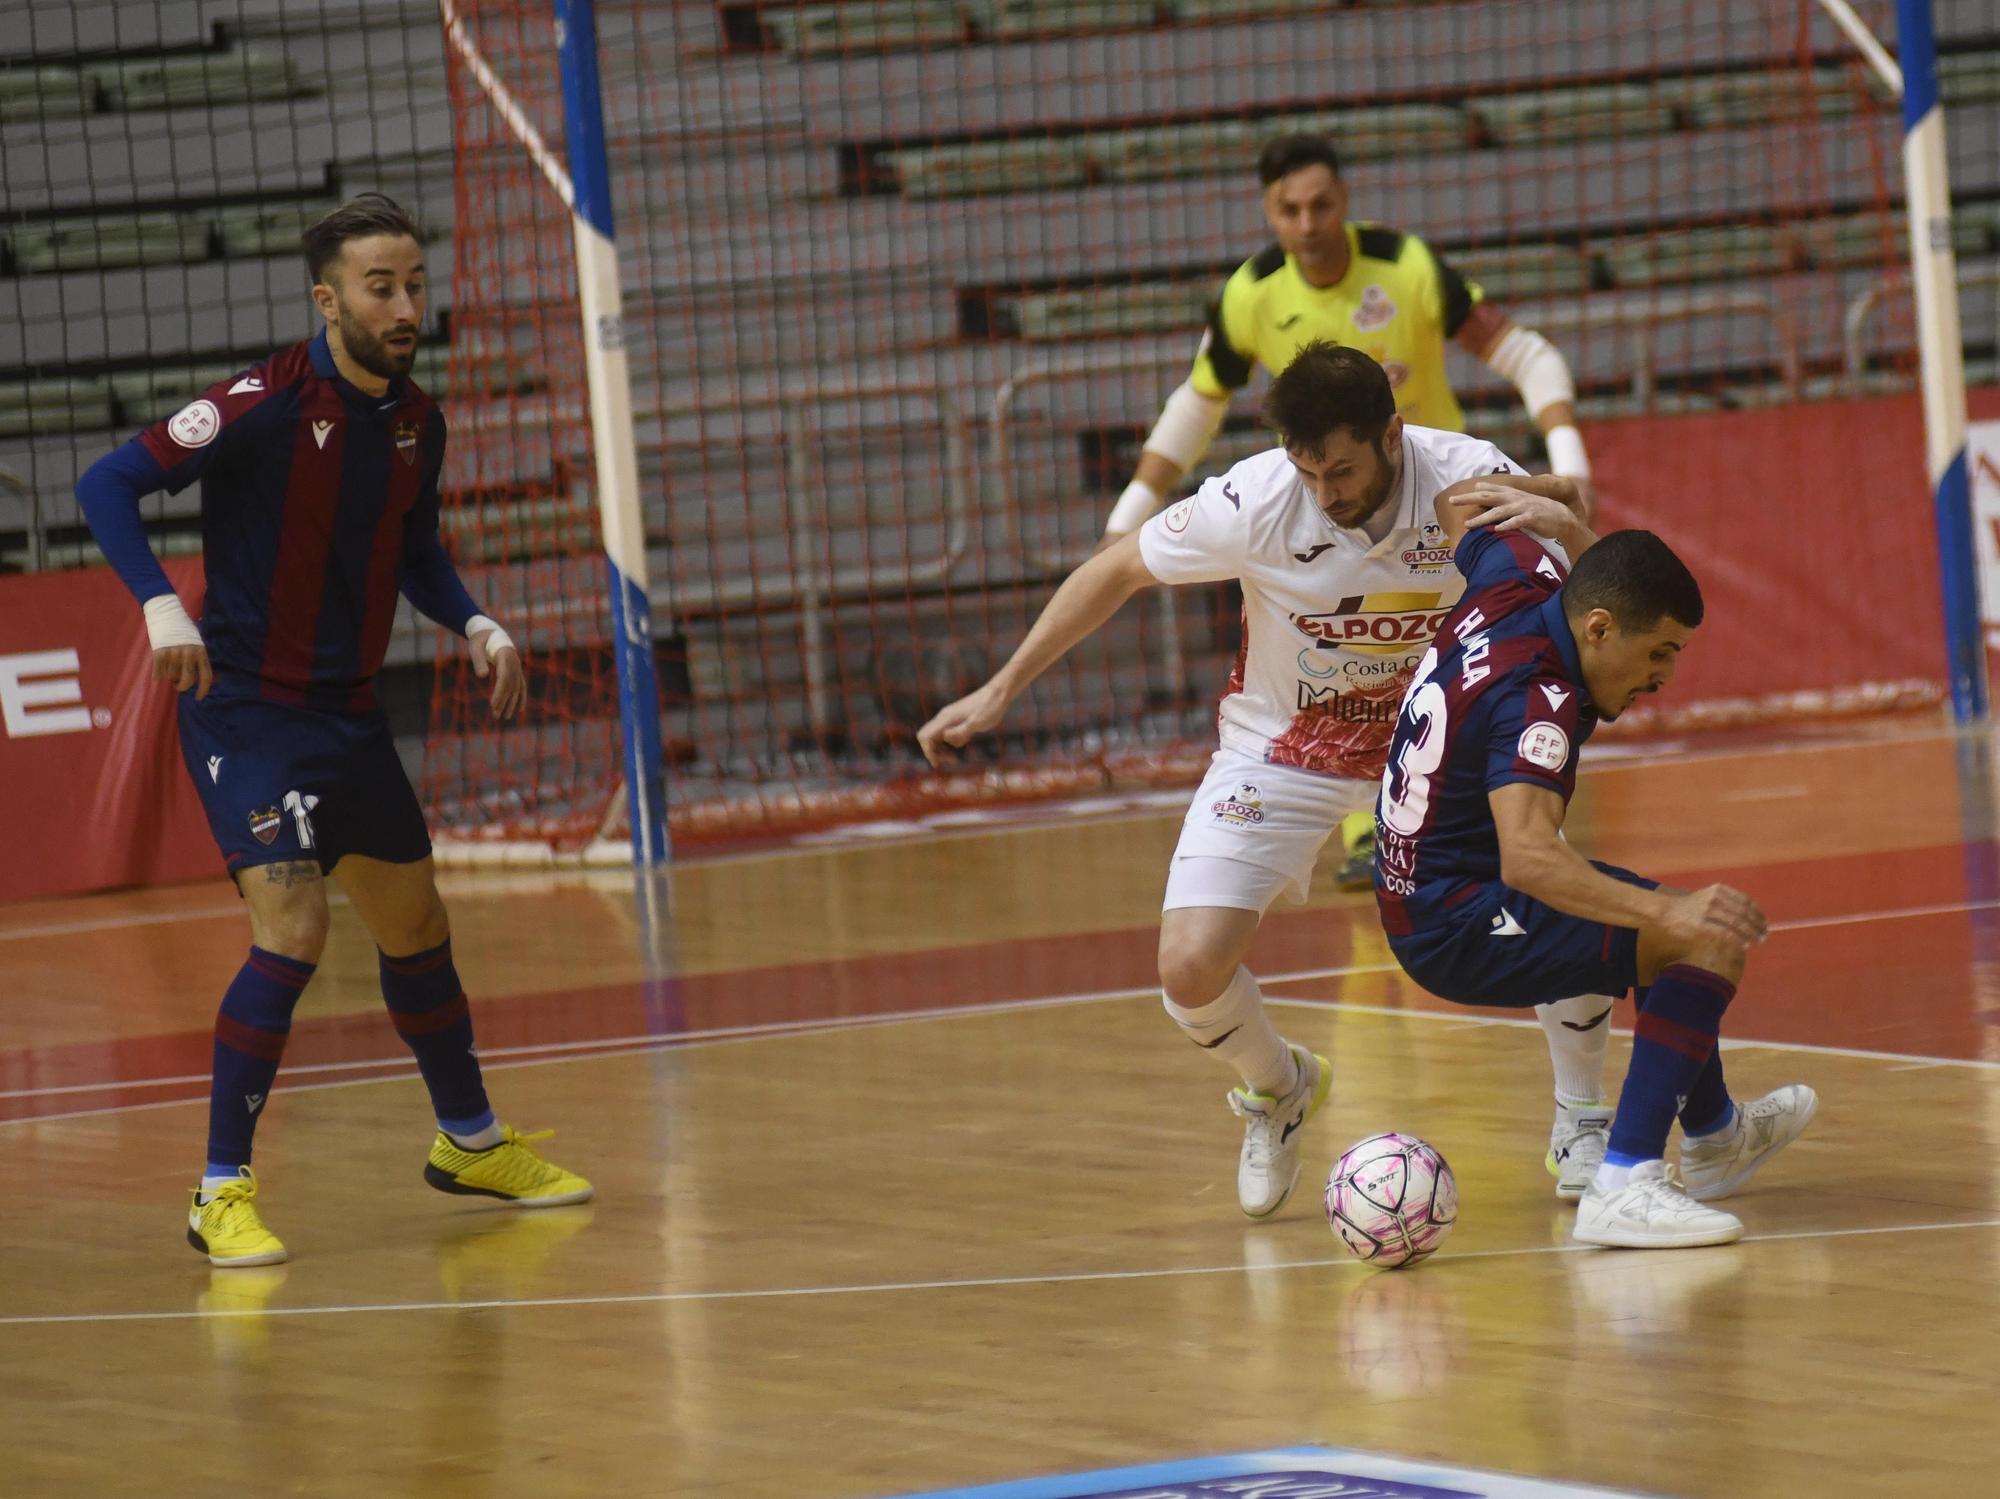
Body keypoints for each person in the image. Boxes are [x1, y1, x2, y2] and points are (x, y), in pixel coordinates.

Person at [918, 343, 1619, 1219]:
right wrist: (999, 688)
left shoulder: (1471, 477)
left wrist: (1566, 511)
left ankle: (1583, 1118)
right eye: (1308, 468)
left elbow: (1598, 581)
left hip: (1440, 744)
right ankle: (1279, 1087)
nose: (1325, 490)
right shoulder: (1254, 499)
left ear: (1393, 434)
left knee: (1546, 886)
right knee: (1188, 964)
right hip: (1285, 747)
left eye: (1344, 468)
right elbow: (1117, 569)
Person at [75, 193, 592, 1268]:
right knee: (296, 929)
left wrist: (479, 620)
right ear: (328, 298)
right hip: (248, 710)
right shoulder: (261, 401)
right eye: (380, 286)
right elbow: (108, 479)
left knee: (415, 926)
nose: (405, 304)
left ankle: (470, 1141)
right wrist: (159, 604)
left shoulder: (416, 419)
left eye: (413, 283)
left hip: (348, 716)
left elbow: (416, 550)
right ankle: (220, 1191)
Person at [1102, 132, 1594, 893]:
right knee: (1347, 669)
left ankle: (1472, 816)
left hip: (1444, 521)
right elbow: (1199, 403)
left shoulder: (1406, 267)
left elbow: (1524, 352)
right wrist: (1133, 504)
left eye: (1321, 204)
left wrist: (1567, 458)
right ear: (1269, 213)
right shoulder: (1251, 292)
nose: (1308, 223)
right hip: (1328, 520)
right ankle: (1379, 826)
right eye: (1289, 209)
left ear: (1346, 201)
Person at [1375, 491, 1817, 1246]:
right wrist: (1666, 915)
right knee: (1697, 934)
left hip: (1427, 888)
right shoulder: (1538, 699)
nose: (1664, 676)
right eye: (1659, 653)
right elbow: (1532, 855)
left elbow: (1458, 503)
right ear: (1600, 629)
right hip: (1459, 921)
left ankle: (1714, 1134)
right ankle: (1624, 1183)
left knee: (1656, 915)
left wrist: (1559, 512)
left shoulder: (1510, 582)